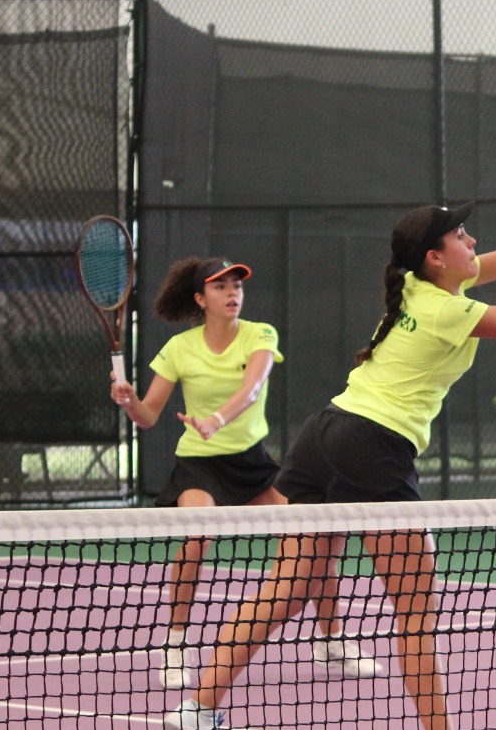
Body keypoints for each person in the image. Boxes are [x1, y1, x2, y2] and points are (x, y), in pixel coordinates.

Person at [163, 193, 496, 730]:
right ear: (435, 258)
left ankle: (198, 706)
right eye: (460, 236)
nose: (471, 241)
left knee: (289, 587)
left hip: (323, 435)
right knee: (415, 607)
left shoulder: (419, 286)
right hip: (372, 447)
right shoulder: (445, 310)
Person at [110, 256, 378, 690]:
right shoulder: (179, 348)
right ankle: (175, 645)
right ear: (200, 299)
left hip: (252, 462)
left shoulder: (260, 334)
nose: (232, 292)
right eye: (220, 287)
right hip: (199, 465)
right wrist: (129, 401)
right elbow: (148, 416)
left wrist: (216, 420)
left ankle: (331, 640)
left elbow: (252, 389)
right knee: (196, 539)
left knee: (315, 536)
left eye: (236, 285)